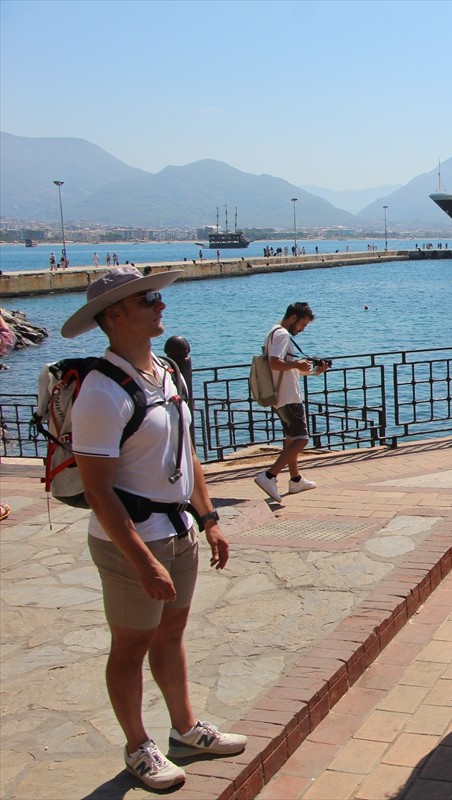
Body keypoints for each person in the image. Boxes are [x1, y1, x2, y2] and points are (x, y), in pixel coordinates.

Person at [58, 266, 245, 790]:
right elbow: (99, 492)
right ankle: (137, 746)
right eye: (147, 300)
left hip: (178, 531)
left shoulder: (165, 372)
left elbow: (187, 454)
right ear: (115, 315)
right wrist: (142, 561)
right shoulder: (101, 393)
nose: (160, 304)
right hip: (132, 542)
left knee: (171, 633)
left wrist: (209, 520)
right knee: (130, 645)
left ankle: (185, 730)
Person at [251, 303, 327, 502]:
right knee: (302, 439)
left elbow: (285, 368)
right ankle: (269, 475)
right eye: (302, 324)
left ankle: (295, 480)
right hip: (288, 397)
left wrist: (313, 371)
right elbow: (275, 363)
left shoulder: (274, 332)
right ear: (293, 317)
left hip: (280, 396)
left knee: (291, 439)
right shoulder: (282, 334)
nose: (302, 329)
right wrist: (296, 364)